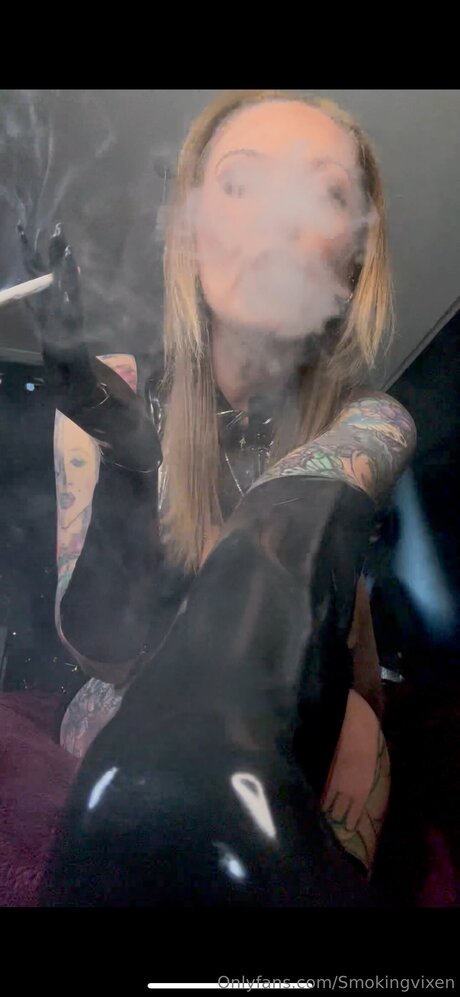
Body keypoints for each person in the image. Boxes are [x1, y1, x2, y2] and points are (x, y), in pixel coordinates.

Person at [24, 90, 415, 904]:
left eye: (324, 193)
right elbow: (101, 651)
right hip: (126, 698)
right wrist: (132, 465)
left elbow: (359, 682)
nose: (277, 218)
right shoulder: (112, 385)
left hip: (289, 718)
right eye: (241, 183)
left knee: (359, 734)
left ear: (354, 257)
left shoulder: (366, 422)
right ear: (192, 229)